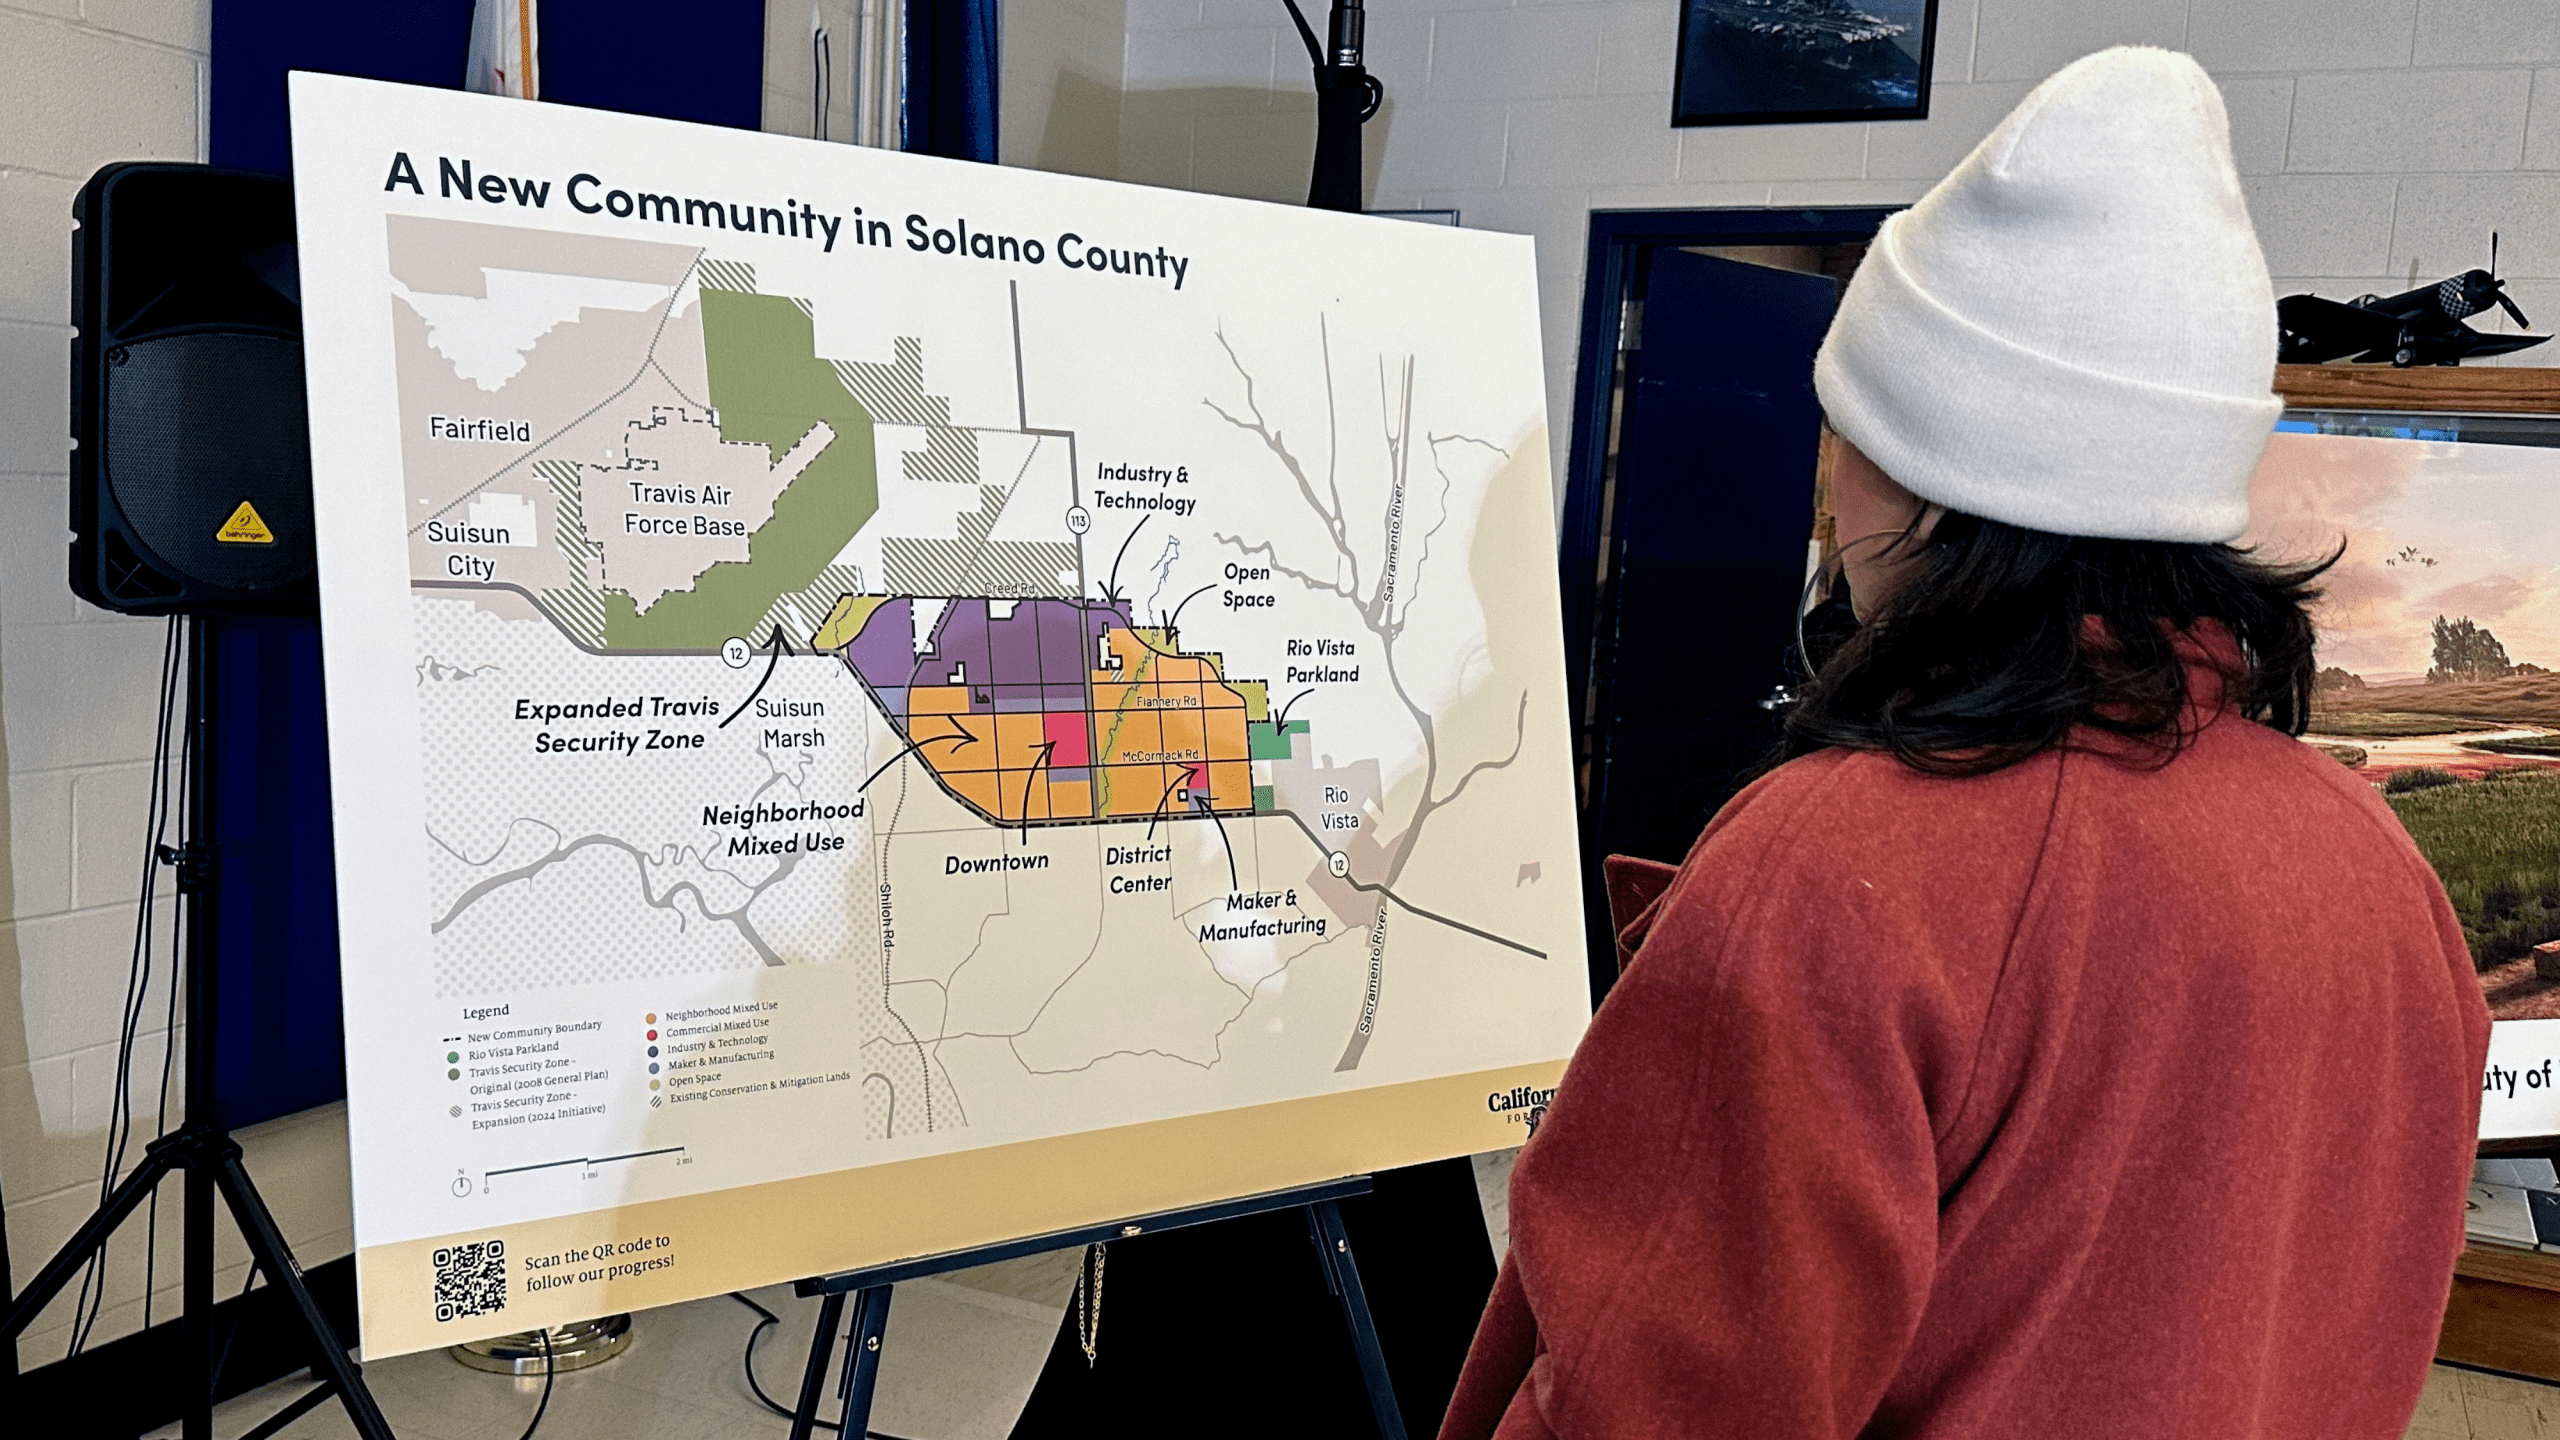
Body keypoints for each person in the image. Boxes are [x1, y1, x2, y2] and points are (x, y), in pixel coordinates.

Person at [1441, 47, 2488, 1440]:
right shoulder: (2373, 859)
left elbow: (1649, 1404)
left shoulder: (1842, 863)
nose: (1824, 494)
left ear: (1926, 471)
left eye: (1847, 429)